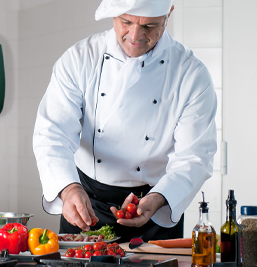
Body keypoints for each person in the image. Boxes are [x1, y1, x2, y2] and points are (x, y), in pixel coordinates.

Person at [33, 0, 216, 241]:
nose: (135, 35)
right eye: (126, 22)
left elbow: (195, 156)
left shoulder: (191, 74)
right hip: (87, 201)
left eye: (149, 26)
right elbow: (52, 133)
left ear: (168, 14)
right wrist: (69, 189)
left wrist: (159, 197)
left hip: (156, 206)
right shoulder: (80, 58)